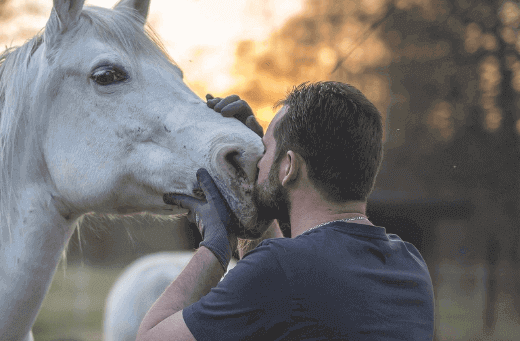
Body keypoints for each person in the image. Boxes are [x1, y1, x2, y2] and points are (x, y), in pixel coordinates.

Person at [135, 81, 435, 340]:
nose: (259, 163)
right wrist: (257, 200)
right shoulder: (409, 264)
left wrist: (215, 246)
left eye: (266, 151)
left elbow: (151, 337)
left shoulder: (280, 269)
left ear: (289, 166)